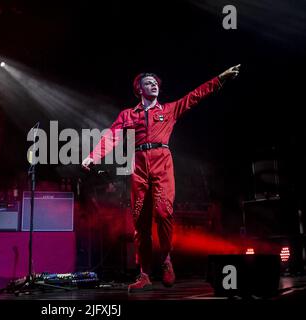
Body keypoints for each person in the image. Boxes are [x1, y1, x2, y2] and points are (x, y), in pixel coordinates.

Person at [82, 64, 240, 291]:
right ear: (139, 89)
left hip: (162, 162)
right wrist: (92, 157)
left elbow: (195, 96)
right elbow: (111, 137)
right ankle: (145, 274)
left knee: (164, 212)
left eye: (156, 83)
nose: (154, 85)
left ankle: (166, 259)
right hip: (138, 166)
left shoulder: (169, 110)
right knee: (140, 223)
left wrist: (220, 79)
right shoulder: (128, 114)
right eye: (148, 83)